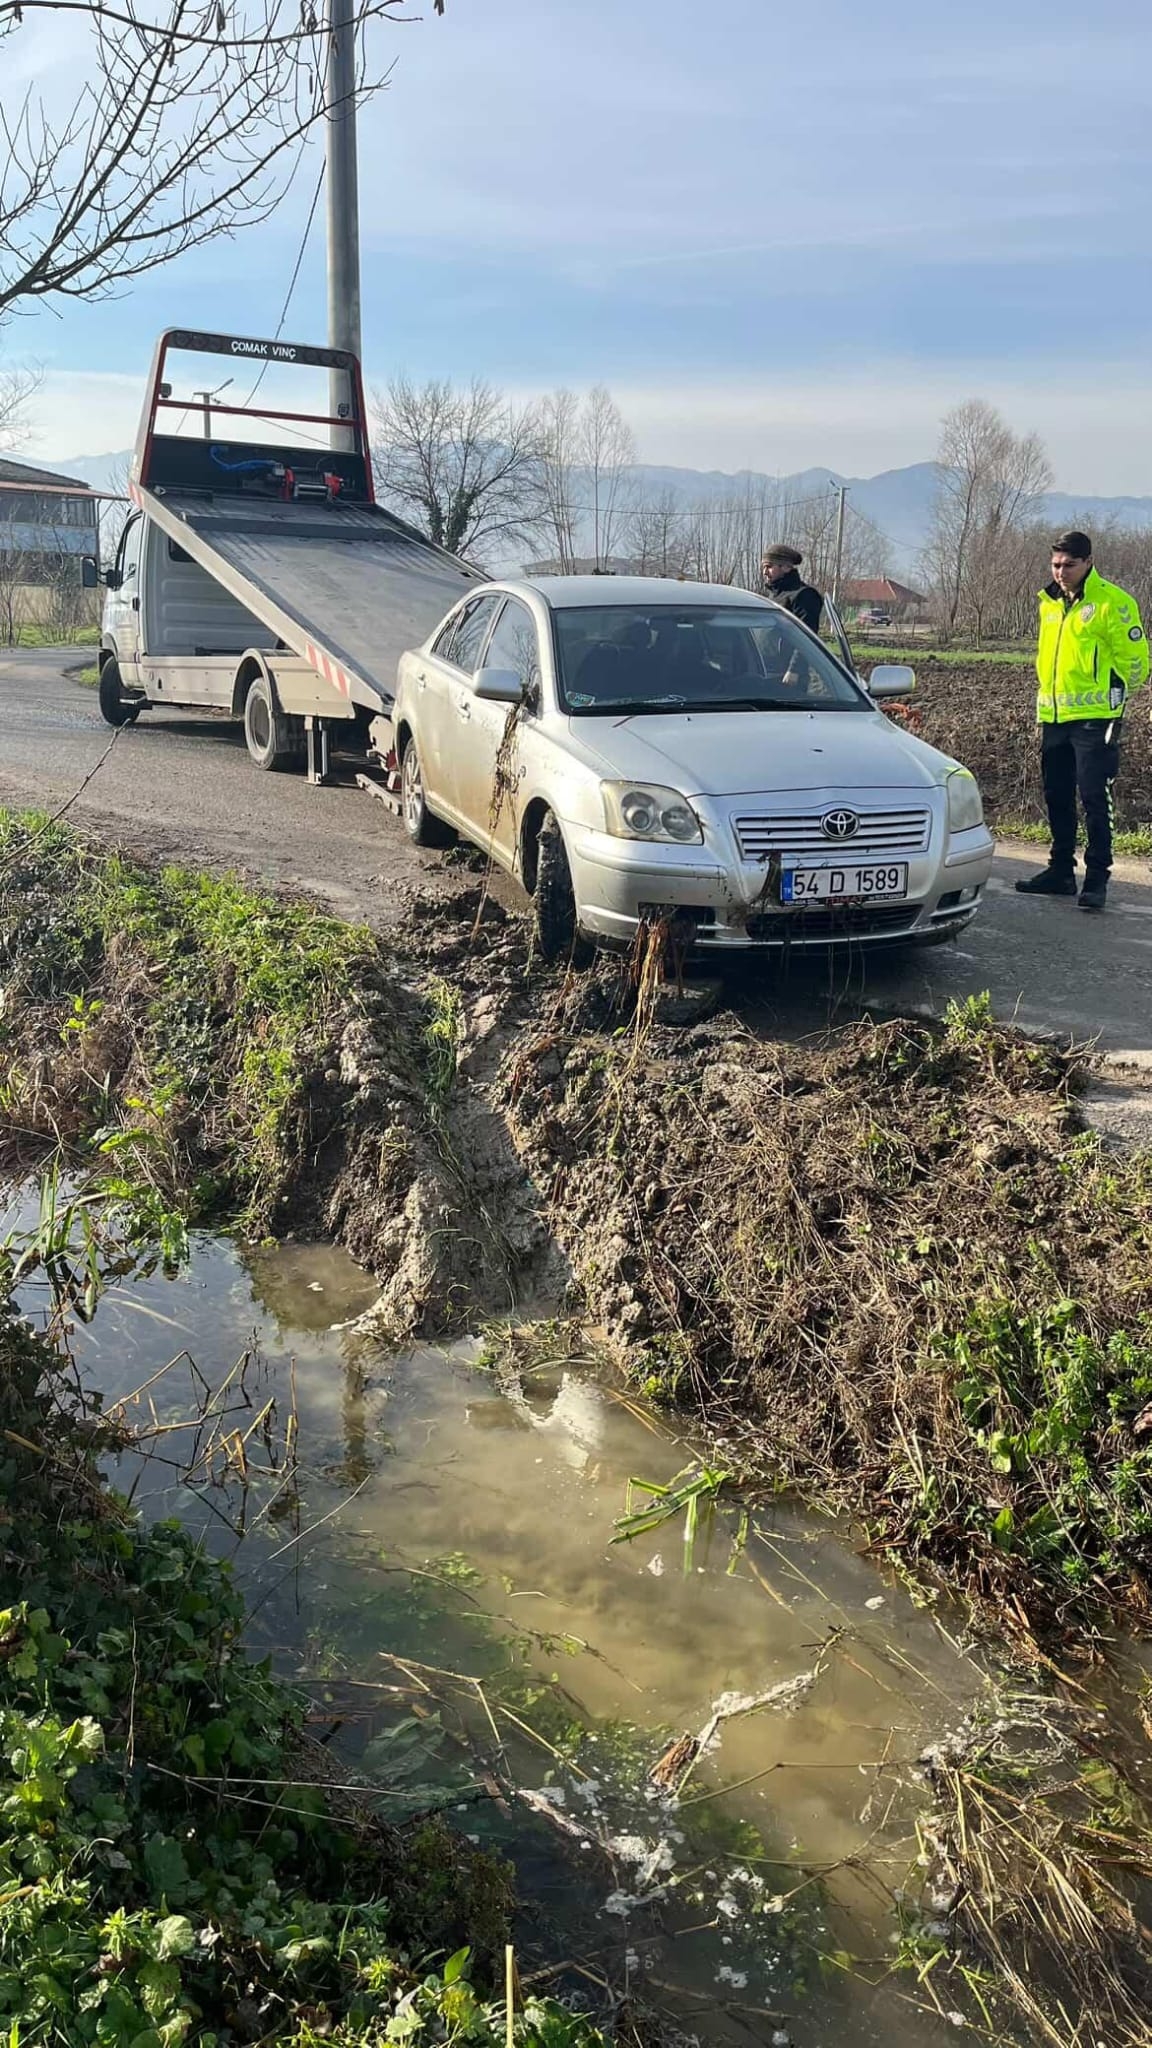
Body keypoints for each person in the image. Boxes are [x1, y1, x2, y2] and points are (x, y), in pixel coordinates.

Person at [1016, 531, 1149, 912]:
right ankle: (1060, 872)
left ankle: (1096, 879)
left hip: (1096, 718)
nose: (1061, 572)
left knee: (1094, 797)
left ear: (1088, 561)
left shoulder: (1113, 603)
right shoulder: (1049, 603)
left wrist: (1115, 695)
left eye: (1069, 565)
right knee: (1057, 795)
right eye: (1056, 564)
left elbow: (1137, 661)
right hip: (1055, 716)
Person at [760, 544, 824, 634]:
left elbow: (804, 638)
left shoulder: (805, 595)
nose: (765, 572)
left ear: (786, 568)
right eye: (764, 567)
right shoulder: (773, 595)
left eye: (769, 567)